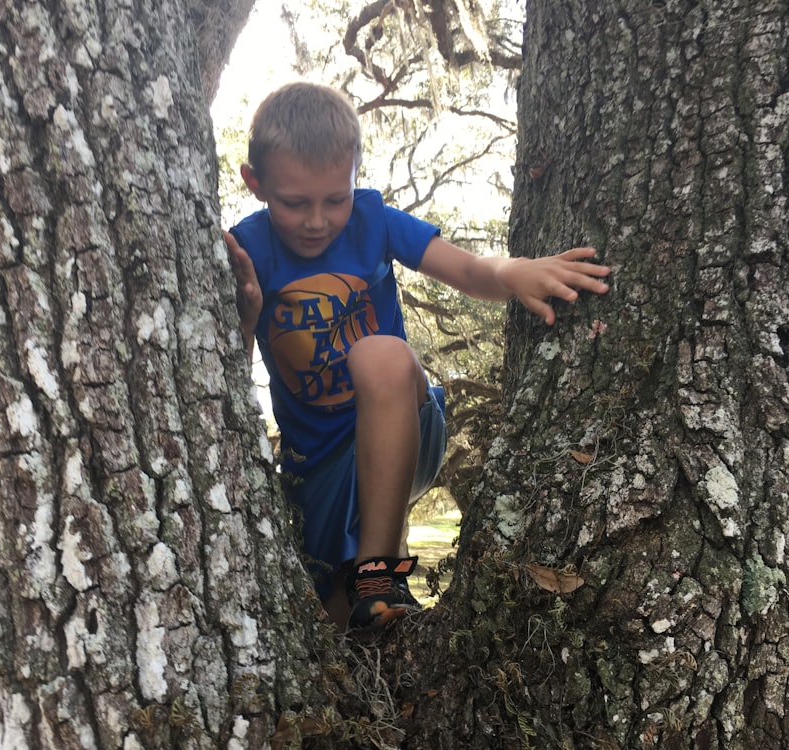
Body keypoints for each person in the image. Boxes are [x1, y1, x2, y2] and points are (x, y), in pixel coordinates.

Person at [224, 82, 610, 632]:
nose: (317, 220)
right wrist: (246, 316)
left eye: (335, 198)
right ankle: (367, 604)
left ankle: (381, 574)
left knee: (380, 355)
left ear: (355, 174)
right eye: (294, 203)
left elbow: (469, 269)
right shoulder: (247, 250)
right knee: (333, 628)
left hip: (403, 425)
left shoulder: (373, 220)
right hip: (316, 468)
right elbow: (221, 376)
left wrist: (513, 270)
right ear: (255, 184)